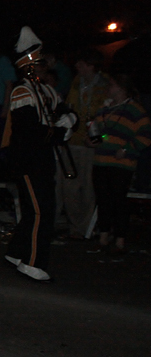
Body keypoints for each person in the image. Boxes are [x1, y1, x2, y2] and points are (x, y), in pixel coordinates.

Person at [2, 27, 76, 282]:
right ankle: (33, 262)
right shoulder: (22, 92)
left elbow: (65, 109)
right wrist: (59, 131)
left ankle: (16, 252)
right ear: (29, 67)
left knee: (38, 208)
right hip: (28, 161)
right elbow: (30, 132)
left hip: (43, 159)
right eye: (41, 63)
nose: (46, 67)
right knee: (40, 211)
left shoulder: (46, 90)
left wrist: (70, 119)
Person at [88, 73, 151, 253]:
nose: (108, 88)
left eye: (112, 85)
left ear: (122, 88)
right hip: (101, 160)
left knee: (118, 200)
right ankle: (103, 237)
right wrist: (92, 140)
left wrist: (127, 149)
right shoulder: (105, 108)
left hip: (121, 163)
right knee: (103, 199)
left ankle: (120, 239)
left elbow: (146, 135)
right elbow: (97, 131)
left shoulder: (135, 110)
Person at [59, 49, 110, 239]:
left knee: (88, 187)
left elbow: (108, 118)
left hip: (91, 143)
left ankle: (86, 227)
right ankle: (75, 226)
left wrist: (101, 138)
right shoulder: (76, 83)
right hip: (73, 140)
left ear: (90, 65)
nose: (76, 66)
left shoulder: (105, 85)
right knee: (69, 187)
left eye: (80, 63)